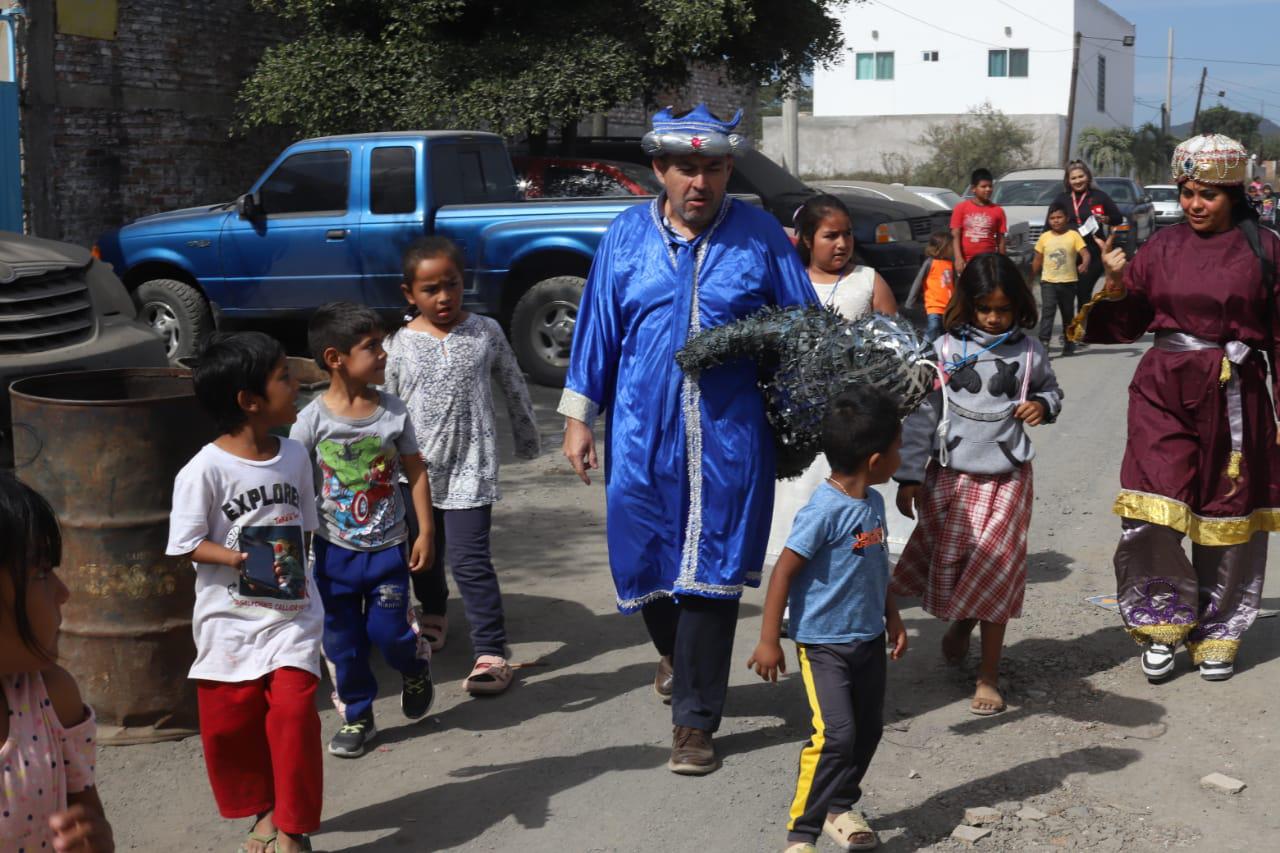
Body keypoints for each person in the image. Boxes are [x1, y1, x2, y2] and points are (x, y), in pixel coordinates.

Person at [559, 103, 818, 775]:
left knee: (712, 569)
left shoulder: (759, 235)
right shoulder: (624, 236)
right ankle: (677, 654)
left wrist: (808, 413)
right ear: (659, 171)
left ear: (728, 168)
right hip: (641, 432)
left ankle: (696, 721)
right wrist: (579, 416)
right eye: (684, 169)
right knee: (641, 557)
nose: (698, 182)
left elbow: (803, 332)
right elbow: (596, 329)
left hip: (730, 435)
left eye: (711, 168)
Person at [1069, 134, 1280, 683]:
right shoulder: (1161, 248)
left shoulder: (1267, 250)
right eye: (1187, 192)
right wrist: (1114, 284)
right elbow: (1120, 326)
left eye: (1206, 194)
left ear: (1233, 195)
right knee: (1150, 511)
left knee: (1227, 518)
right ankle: (1160, 619)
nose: (1193, 205)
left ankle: (1217, 629)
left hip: (1236, 395)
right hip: (1163, 391)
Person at [166, 332, 323, 853]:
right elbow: (186, 544)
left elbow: (304, 526)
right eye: (283, 377)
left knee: (295, 713)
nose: (296, 384)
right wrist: (240, 558)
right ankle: (264, 811)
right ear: (249, 401)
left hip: (292, 616)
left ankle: (294, 828)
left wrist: (293, 572)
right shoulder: (203, 470)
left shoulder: (297, 455)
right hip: (229, 620)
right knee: (232, 727)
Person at [892, 254, 1063, 715]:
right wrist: (909, 476)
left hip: (1008, 477)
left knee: (998, 569)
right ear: (967, 304)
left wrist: (1042, 406)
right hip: (951, 475)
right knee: (966, 562)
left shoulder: (1029, 352)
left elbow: (1050, 389)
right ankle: (962, 624)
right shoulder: (944, 351)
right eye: (984, 307)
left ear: (1018, 307)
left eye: (1002, 309)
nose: (993, 317)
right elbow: (922, 416)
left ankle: (988, 674)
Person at [747, 388, 908, 853]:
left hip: (868, 640)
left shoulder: (872, 504)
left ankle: (841, 804)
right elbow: (784, 572)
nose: (902, 456)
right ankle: (802, 834)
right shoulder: (823, 511)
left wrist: (893, 616)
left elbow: (877, 567)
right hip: (823, 645)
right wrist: (767, 640)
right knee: (835, 735)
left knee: (868, 729)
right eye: (899, 449)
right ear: (876, 459)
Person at [385, 236, 541, 696]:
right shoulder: (400, 344)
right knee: (421, 556)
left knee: (471, 561)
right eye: (430, 289)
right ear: (409, 293)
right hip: (412, 474)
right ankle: (433, 613)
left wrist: (529, 439)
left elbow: (512, 383)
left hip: (472, 466)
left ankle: (491, 650)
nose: (443, 297)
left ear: (463, 282)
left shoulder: (485, 332)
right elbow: (386, 408)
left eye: (450, 285)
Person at [290, 303, 434, 758]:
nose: (384, 354)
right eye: (372, 347)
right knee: (342, 643)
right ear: (336, 358)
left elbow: (415, 469)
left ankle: (414, 666)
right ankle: (358, 716)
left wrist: (425, 531)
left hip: (388, 548)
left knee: (389, 634)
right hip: (333, 554)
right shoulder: (310, 422)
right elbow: (292, 485)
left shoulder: (393, 412)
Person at [764, 195, 897, 569]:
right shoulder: (788, 285)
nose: (842, 243)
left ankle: (851, 586)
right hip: (801, 422)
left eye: (848, 234)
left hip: (854, 420)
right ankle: (796, 598)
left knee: (849, 508)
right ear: (807, 238)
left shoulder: (868, 281)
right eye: (830, 235)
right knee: (802, 507)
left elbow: (896, 345)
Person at [0, 476, 114, 853]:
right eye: (41, 573)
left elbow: (90, 820)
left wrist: (94, 840)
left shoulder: (52, 697)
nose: (64, 593)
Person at [1046, 159, 1124, 314]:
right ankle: (1069, 332)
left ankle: (1081, 329)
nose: (1078, 181)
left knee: (1083, 292)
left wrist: (1106, 219)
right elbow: (1048, 225)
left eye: (1081, 176)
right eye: (1073, 178)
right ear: (1068, 181)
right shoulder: (1061, 199)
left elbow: (1118, 218)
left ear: (1087, 177)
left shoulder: (1100, 196)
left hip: (1093, 252)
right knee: (1067, 295)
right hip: (1067, 254)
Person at [1032, 201, 1091, 356]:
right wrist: (1030, 278)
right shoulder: (1044, 237)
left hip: (1068, 282)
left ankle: (1069, 341)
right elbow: (1037, 259)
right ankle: (1044, 343)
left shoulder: (1073, 235)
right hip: (1048, 282)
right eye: (1052, 218)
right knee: (1048, 313)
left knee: (1067, 314)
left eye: (1059, 217)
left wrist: (1084, 264)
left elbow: (1085, 253)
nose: (1056, 220)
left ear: (1067, 218)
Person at [950, 168, 1007, 278]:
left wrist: (1002, 262)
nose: (988, 189)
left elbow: (1001, 240)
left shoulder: (998, 211)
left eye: (990, 186)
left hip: (988, 262)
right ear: (973, 188)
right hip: (966, 262)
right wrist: (958, 258)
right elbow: (955, 235)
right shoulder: (961, 208)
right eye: (983, 186)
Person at [905, 230, 957, 346]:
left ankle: (941, 353)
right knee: (934, 327)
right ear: (942, 248)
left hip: (948, 307)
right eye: (951, 246)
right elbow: (918, 282)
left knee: (946, 332)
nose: (953, 249)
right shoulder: (930, 263)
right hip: (934, 305)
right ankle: (923, 347)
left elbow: (955, 285)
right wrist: (910, 301)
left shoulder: (950, 264)